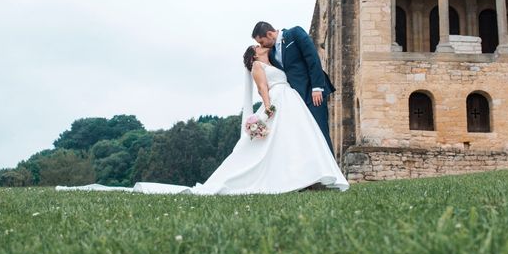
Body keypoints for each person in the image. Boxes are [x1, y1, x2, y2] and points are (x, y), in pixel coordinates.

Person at [57, 44, 349, 195]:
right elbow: (262, 89)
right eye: (258, 47)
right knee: (271, 149)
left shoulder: (274, 62)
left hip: (292, 103)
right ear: (254, 53)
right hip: (278, 104)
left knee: (298, 141)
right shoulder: (258, 66)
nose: (262, 48)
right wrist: (269, 109)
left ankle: (310, 177)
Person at [252, 21, 336, 150]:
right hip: (295, 101)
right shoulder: (272, 53)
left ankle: (331, 169)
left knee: (320, 131)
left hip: (312, 94)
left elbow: (312, 58)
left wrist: (317, 88)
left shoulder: (295, 33)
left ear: (269, 34)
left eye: (262, 42)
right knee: (304, 136)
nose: (261, 45)